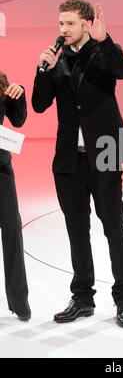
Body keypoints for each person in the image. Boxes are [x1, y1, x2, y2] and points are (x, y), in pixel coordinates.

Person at [32, 0, 123, 327]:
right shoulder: (57, 59)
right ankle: (82, 297)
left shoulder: (103, 52)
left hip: (105, 151)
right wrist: (42, 71)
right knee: (77, 229)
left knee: (113, 226)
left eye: (70, 23)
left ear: (87, 24)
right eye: (61, 23)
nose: (63, 30)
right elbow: (39, 104)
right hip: (68, 160)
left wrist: (106, 41)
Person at [0, 71, 31, 321]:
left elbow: (18, 121)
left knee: (12, 228)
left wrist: (18, 92)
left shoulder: (1, 81)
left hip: (0, 168)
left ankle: (19, 302)